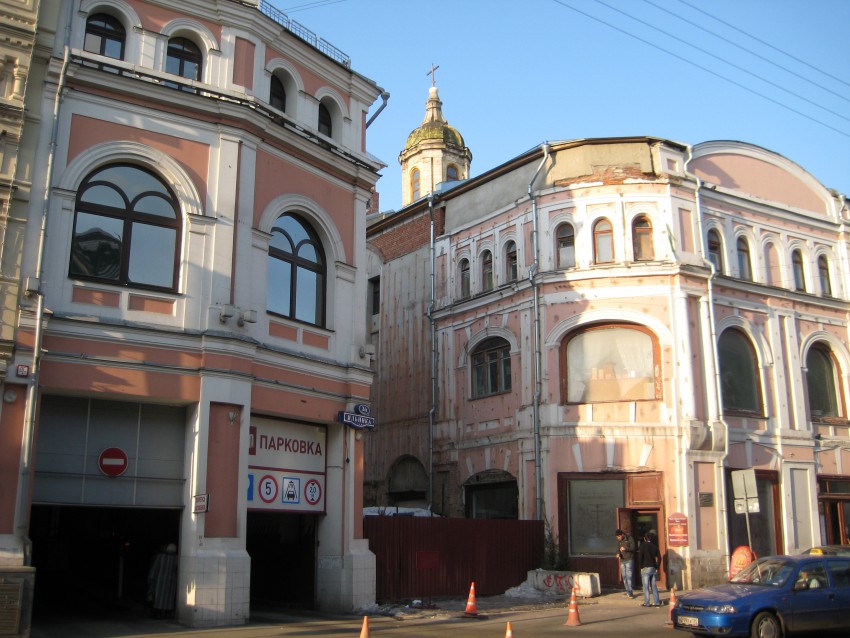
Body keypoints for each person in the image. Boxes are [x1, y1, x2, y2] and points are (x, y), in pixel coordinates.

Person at [148, 543, 178, 619]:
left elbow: (154, 569)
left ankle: (158, 614)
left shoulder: (160, 557)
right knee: (168, 598)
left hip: (159, 581)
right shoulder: (177, 558)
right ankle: (165, 614)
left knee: (158, 597)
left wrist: (151, 579)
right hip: (171, 581)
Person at [637, 532, 662, 606]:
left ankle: (647, 602)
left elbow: (640, 557)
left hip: (646, 568)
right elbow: (659, 558)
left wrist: (641, 567)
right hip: (653, 568)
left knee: (646, 586)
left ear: (645, 538)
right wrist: (657, 566)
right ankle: (657, 602)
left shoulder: (643, 546)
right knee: (654, 586)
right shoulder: (654, 546)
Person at [615, 528, 636, 598]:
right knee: (624, 577)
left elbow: (633, 548)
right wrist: (618, 554)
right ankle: (628, 591)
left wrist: (625, 549)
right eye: (617, 537)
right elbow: (618, 549)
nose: (618, 538)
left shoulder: (629, 538)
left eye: (619, 537)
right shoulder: (619, 541)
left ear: (622, 535)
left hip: (629, 559)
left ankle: (630, 592)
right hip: (622, 560)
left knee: (629, 576)